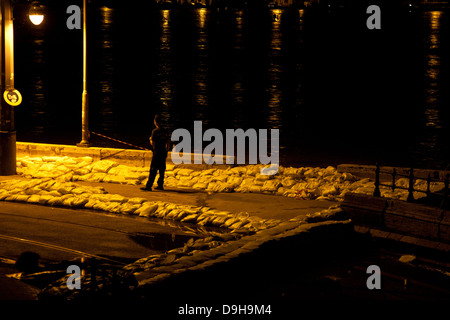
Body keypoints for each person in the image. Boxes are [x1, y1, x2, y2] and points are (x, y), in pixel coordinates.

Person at [141, 114, 171, 191]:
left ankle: (149, 186)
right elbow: (168, 142)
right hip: (163, 152)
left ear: (155, 122)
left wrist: (150, 140)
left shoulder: (155, 131)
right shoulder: (166, 131)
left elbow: (153, 143)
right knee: (162, 169)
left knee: (153, 169)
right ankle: (160, 185)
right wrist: (167, 150)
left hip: (157, 152)